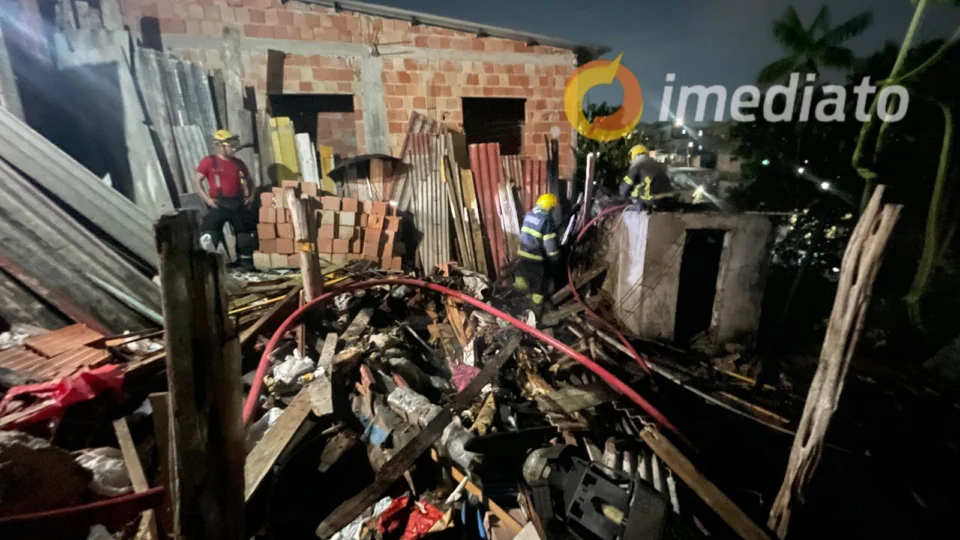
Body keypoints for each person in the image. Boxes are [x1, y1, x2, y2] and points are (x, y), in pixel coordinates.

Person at [195, 129, 256, 265]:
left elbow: (249, 180)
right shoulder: (209, 162)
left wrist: (251, 195)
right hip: (219, 204)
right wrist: (207, 199)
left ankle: (245, 263)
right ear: (219, 146)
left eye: (234, 145)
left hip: (238, 203)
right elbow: (198, 181)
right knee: (210, 231)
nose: (234, 148)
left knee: (244, 233)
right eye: (230, 145)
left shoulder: (238, 163)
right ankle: (208, 264)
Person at [515, 193, 561, 315]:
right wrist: (555, 257)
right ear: (549, 207)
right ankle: (534, 311)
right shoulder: (546, 220)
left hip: (522, 254)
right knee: (539, 287)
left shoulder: (529, 214)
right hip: (535, 258)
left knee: (522, 280)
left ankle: (516, 303)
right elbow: (549, 243)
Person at [620, 144, 677, 210]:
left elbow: (624, 190)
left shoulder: (637, 166)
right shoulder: (660, 165)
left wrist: (622, 196)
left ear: (634, 156)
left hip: (652, 201)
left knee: (635, 191)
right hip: (670, 199)